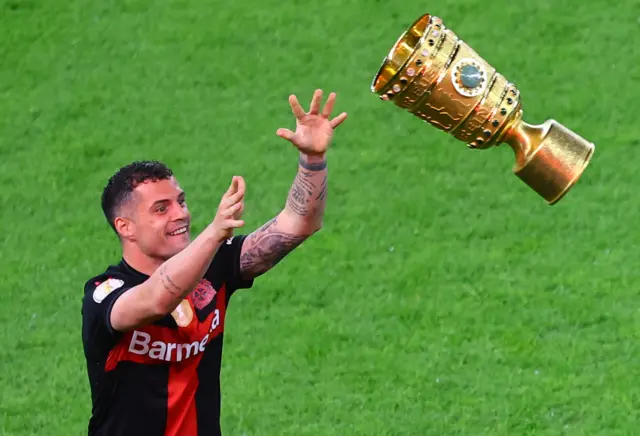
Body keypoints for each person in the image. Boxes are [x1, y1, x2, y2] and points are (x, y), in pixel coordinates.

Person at [80, 89, 348, 436]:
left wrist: (313, 161)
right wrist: (215, 232)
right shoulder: (105, 294)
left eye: (181, 201)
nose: (181, 214)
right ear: (125, 227)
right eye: (161, 209)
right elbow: (157, 298)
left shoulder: (215, 264)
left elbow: (299, 224)